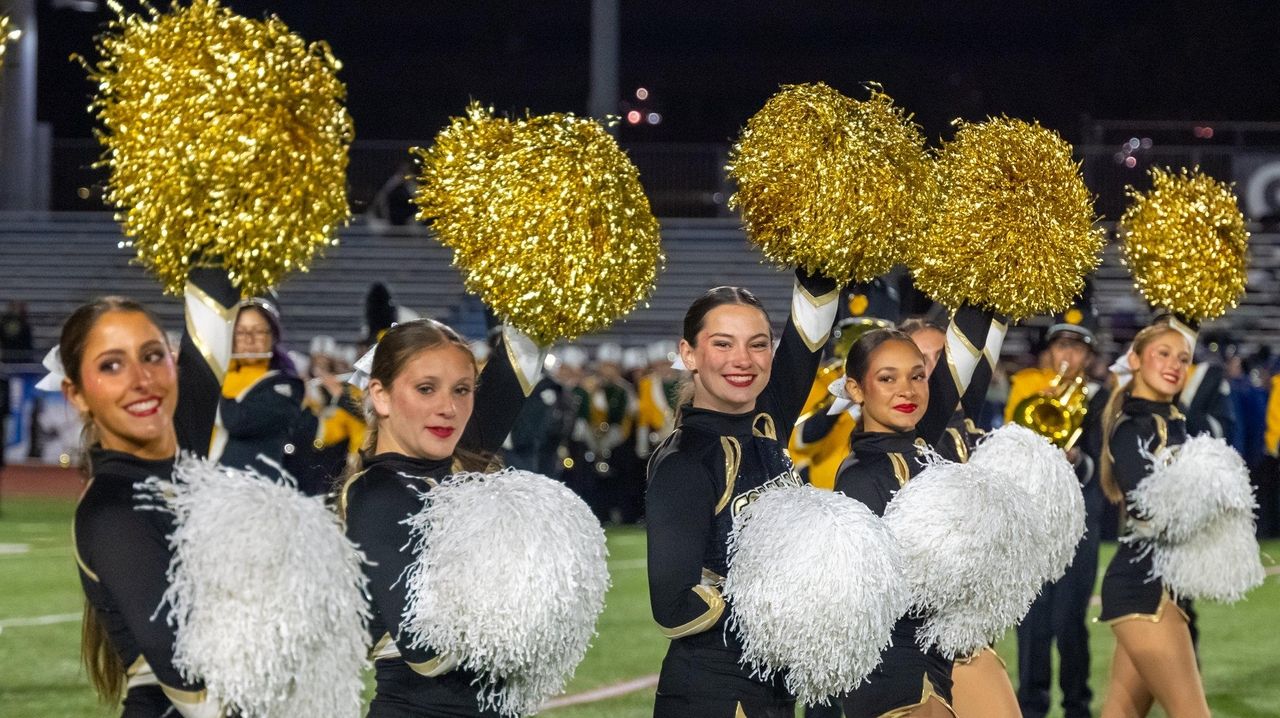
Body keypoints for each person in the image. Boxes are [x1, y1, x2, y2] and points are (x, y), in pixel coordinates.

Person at [340, 319, 543, 717]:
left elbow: (523, 355)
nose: (448, 408)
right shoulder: (376, 494)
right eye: (425, 389)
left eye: (462, 390)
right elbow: (424, 647)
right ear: (380, 395)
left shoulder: (455, 466)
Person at [833, 304, 1006, 718]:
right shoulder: (858, 476)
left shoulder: (923, 445)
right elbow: (878, 594)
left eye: (918, 376)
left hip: (936, 657)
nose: (906, 390)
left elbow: (969, 346)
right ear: (856, 390)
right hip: (892, 670)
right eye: (887, 379)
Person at [61, 297, 220, 717]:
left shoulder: (187, 458)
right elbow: (194, 686)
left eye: (152, 356)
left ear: (174, 363)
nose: (141, 379)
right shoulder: (112, 509)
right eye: (111, 366)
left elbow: (218, 289)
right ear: (75, 394)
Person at [1096, 320, 1210, 718]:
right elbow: (1147, 508)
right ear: (1136, 360)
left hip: (1161, 587)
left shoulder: (1172, 420)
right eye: (1163, 354)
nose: (1175, 364)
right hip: (1144, 590)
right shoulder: (1134, 427)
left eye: (1183, 358)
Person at [1013, 303, 1109, 718]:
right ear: (1048, 352)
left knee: (1071, 621)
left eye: (1077, 346)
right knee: (1032, 622)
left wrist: (1078, 460)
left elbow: (1104, 461)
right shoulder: (1026, 388)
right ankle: (1031, 706)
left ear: (1089, 356)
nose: (1067, 355)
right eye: (1061, 345)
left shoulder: (1102, 397)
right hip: (1033, 517)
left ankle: (1077, 706)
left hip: (1081, 517)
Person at [216, 298, 305, 477]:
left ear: (273, 336)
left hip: (253, 492)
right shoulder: (223, 375)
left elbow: (236, 421)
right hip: (205, 484)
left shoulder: (286, 385)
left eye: (258, 331)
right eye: (240, 332)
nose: (249, 339)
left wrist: (209, 382)